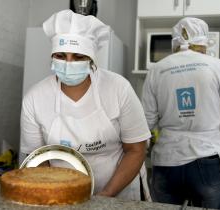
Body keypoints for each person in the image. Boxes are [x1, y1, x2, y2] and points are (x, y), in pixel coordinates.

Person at [19, 10, 151, 201]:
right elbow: (36, 158)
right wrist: (56, 194)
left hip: (119, 192)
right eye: (61, 55)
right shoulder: (35, 98)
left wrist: (106, 196)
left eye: (78, 56)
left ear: (91, 60)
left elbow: (136, 150)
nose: (68, 64)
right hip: (61, 194)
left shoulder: (118, 88)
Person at [142, 17, 220, 209]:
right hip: (205, 158)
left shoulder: (156, 69)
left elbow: (146, 121)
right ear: (203, 40)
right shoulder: (215, 65)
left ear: (176, 41)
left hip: (166, 160)